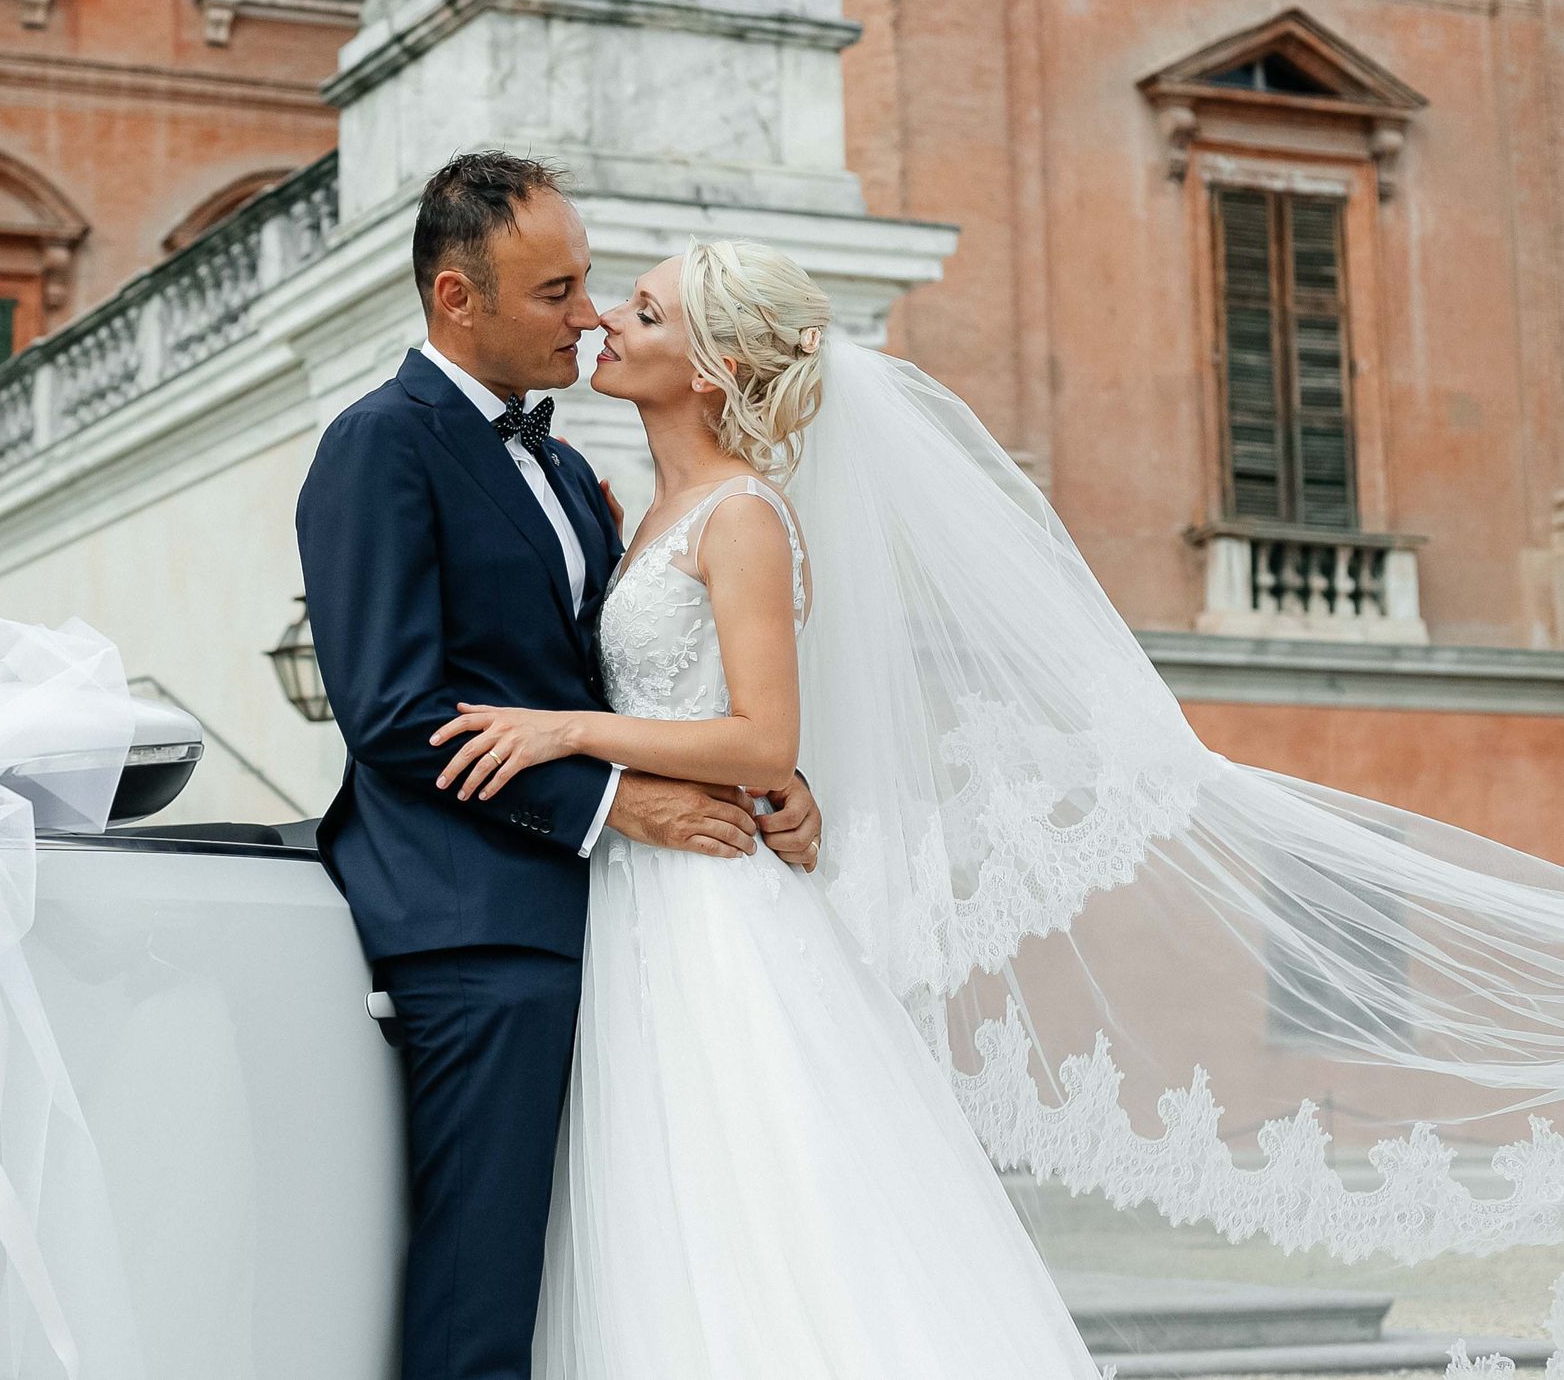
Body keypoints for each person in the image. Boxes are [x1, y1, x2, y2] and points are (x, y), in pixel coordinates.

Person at [436, 234, 1564, 1375]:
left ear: (717, 366)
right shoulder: (642, 512)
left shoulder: (740, 517)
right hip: (643, 898)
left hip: (712, 913)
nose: (605, 326)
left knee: (750, 1196)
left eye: (642, 314)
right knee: (667, 1199)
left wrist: (570, 732)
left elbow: (764, 736)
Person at [293, 153, 824, 1380]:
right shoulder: (379, 446)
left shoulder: (582, 480)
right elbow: (390, 713)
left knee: (616, 1276)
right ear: (455, 298)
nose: (586, 315)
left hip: (624, 927)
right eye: (556, 291)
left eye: (594, 288)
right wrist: (611, 799)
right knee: (482, 1296)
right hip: (476, 930)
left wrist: (764, 782)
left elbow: (633, 682)